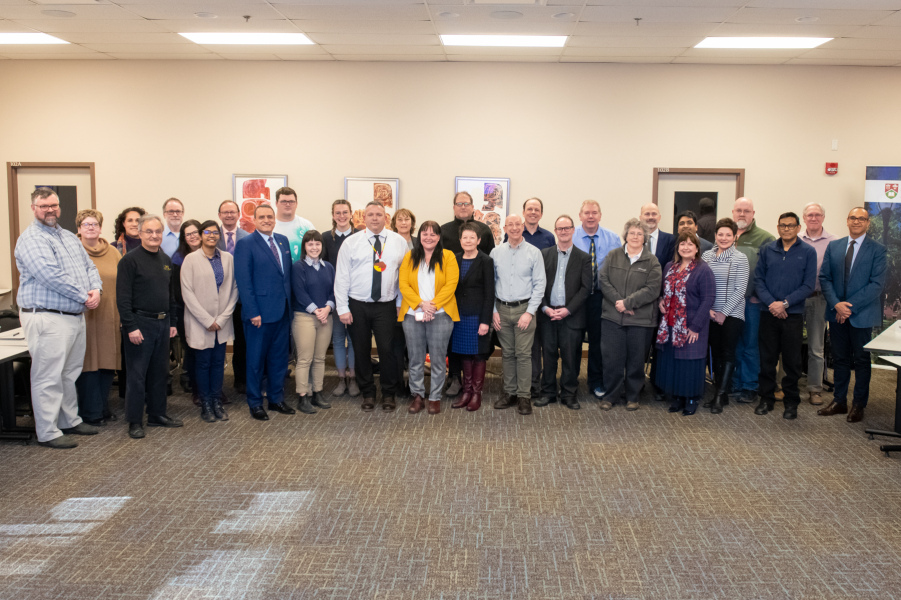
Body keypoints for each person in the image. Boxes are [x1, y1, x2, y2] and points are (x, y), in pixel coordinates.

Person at [15, 188, 102, 449]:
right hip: (47, 317)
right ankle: (48, 431)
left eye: (54, 205)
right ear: (33, 208)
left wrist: (96, 289)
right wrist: (83, 296)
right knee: (47, 376)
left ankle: (68, 420)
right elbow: (49, 275)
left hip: (74, 315)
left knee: (69, 373)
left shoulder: (67, 237)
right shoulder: (31, 239)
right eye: (44, 206)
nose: (50, 210)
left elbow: (90, 267)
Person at [334, 201, 408, 411]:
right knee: (361, 349)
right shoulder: (351, 243)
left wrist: (400, 303)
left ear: (385, 217)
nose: (375, 218)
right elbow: (341, 277)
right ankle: (368, 393)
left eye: (379, 214)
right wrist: (343, 308)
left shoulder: (398, 242)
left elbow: (403, 276)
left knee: (388, 351)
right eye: (370, 215)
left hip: (386, 305)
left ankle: (388, 393)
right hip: (357, 305)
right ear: (362, 218)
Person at [817, 207, 888, 423]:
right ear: (847, 221)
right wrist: (837, 305)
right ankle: (839, 401)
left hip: (862, 314)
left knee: (861, 361)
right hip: (836, 312)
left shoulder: (878, 249)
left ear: (868, 223)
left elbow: (877, 284)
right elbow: (825, 277)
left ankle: (858, 404)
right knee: (839, 359)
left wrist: (849, 307)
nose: (857, 221)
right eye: (853, 218)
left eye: (862, 219)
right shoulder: (835, 246)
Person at [116, 214, 182, 440]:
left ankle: (157, 414)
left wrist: (172, 322)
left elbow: (170, 295)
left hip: (163, 323)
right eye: (149, 232)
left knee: (159, 372)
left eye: (158, 232)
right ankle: (135, 420)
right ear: (140, 233)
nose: (154, 236)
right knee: (137, 375)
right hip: (139, 324)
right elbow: (122, 298)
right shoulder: (129, 261)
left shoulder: (165, 259)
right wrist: (130, 326)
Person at [234, 204, 295, 421]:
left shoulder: (282, 241)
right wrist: (252, 311)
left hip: (282, 312)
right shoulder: (245, 244)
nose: (267, 220)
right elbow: (244, 281)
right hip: (258, 315)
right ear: (254, 219)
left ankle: (276, 399)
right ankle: (255, 402)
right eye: (262, 217)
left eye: (270, 216)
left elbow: (285, 277)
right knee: (255, 361)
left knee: (279, 360)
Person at [753, 212, 818, 419]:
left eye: (791, 225)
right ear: (778, 227)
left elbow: (808, 285)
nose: (786, 229)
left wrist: (785, 304)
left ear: (799, 228)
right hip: (768, 312)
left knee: (792, 362)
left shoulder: (808, 251)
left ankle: (791, 403)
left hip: (793, 315)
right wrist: (772, 303)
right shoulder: (767, 250)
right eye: (783, 225)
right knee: (767, 359)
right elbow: (758, 281)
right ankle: (766, 399)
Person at [598, 218, 662, 411]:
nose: (635, 237)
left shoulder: (652, 261)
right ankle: (611, 396)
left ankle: (633, 396)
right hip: (612, 317)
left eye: (640, 234)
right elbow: (603, 280)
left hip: (640, 320)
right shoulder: (613, 255)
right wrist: (620, 303)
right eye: (632, 233)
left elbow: (653, 289)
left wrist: (628, 303)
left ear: (645, 238)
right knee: (612, 359)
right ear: (626, 235)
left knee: (636, 360)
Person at [398, 221, 460, 414]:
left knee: (438, 359)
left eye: (433, 234)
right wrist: (421, 304)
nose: (429, 237)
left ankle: (434, 397)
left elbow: (451, 284)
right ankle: (417, 395)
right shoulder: (410, 256)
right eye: (425, 233)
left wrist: (432, 306)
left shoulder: (448, 256)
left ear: (439, 237)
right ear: (420, 236)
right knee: (415, 358)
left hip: (440, 315)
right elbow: (403, 284)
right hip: (412, 314)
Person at [180, 221, 238, 422]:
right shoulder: (191, 259)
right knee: (203, 364)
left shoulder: (228, 258)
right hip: (200, 322)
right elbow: (187, 293)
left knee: (218, 363)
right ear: (201, 235)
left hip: (221, 322)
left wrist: (222, 318)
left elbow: (234, 289)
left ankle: (216, 400)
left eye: (215, 232)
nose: (212, 236)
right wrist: (206, 320)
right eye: (207, 232)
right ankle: (205, 403)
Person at [655, 232, 716, 416]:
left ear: (697, 248)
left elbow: (708, 299)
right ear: (678, 247)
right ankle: (676, 397)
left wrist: (695, 327)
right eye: (683, 244)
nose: (686, 247)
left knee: (690, 363)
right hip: (670, 323)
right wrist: (660, 300)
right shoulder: (669, 267)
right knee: (673, 361)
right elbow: (663, 291)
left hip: (692, 325)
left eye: (691, 244)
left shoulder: (703, 269)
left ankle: (690, 398)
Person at [441, 191, 496, 397]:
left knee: (477, 349)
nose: (463, 206)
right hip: (453, 305)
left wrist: (486, 317)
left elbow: (490, 268)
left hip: (476, 306)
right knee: (456, 345)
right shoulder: (444, 231)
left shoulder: (485, 231)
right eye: (459, 203)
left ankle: (474, 389)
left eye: (467, 203)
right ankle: (455, 378)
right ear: (454, 207)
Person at [491, 214, 546, 416]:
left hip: (525, 310)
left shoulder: (534, 253)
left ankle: (524, 396)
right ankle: (510, 393)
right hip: (501, 310)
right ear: (504, 228)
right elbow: (491, 284)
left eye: (517, 224)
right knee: (507, 354)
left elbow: (540, 284)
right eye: (510, 225)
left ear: (523, 226)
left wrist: (530, 312)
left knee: (523, 355)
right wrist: (493, 311)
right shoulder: (496, 253)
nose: (514, 228)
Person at [535, 215, 591, 410]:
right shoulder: (544, 254)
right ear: (556, 231)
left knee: (570, 357)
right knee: (548, 356)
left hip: (572, 316)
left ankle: (569, 394)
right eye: (560, 228)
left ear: (573, 230)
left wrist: (568, 310)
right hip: (547, 314)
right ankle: (548, 393)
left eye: (567, 228)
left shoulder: (584, 258)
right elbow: (537, 284)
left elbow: (586, 288)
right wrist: (544, 307)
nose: (564, 231)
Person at [504, 198, 556, 399]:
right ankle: (527, 385)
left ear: (541, 214)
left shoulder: (548, 237)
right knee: (528, 347)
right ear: (524, 212)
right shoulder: (513, 234)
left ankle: (539, 383)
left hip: (543, 299)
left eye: (537, 209)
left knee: (543, 345)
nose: (533, 212)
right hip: (523, 302)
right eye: (530, 209)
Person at [75, 209, 121, 426]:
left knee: (106, 363)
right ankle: (90, 412)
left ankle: (102, 407)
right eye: (86, 224)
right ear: (79, 229)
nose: (91, 228)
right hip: (84, 316)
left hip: (109, 316)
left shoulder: (113, 252)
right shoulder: (72, 251)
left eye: (95, 224)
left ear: (101, 228)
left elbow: (122, 283)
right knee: (87, 365)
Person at [573, 200, 622, 399]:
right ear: (580, 215)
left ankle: (596, 381)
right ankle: (570, 382)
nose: (590, 216)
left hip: (600, 298)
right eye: (587, 213)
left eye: (594, 213)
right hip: (576, 298)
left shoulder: (613, 239)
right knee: (573, 342)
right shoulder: (571, 236)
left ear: (600, 215)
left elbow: (618, 270)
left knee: (597, 342)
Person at [702, 218, 749, 414]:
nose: (724, 238)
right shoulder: (706, 256)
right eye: (720, 234)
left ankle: (721, 394)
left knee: (728, 353)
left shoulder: (740, 258)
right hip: (709, 312)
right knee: (715, 354)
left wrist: (723, 313)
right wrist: (710, 311)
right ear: (715, 235)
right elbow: (700, 284)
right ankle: (718, 392)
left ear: (734, 236)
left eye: (728, 234)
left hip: (732, 313)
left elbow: (740, 290)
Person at [730, 197, 775, 403]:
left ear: (753, 214)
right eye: (738, 210)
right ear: (733, 212)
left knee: (750, 344)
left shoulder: (765, 238)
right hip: (728, 302)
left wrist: (759, 295)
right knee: (733, 343)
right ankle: (734, 383)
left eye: (746, 211)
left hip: (752, 302)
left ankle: (749, 385)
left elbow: (770, 271)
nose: (742, 214)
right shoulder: (725, 235)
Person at [449, 222, 495, 412]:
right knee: (464, 354)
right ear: (460, 241)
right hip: (458, 315)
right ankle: (466, 392)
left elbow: (489, 292)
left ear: (478, 240)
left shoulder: (486, 261)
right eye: (464, 238)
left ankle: (476, 394)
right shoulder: (455, 259)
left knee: (478, 355)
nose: (468, 241)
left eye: (472, 238)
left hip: (477, 316)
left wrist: (485, 321)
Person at [291, 230, 335, 414]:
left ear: (321, 246)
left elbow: (334, 290)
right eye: (310, 244)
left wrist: (327, 308)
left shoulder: (329, 267)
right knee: (304, 359)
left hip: (326, 317)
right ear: (304, 247)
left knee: (319, 358)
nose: (314, 247)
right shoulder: (298, 267)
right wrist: (316, 310)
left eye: (317, 244)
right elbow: (299, 292)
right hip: (305, 318)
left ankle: (317, 392)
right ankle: (303, 395)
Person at [321, 199, 361, 398]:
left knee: (353, 339)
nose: (342, 216)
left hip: (355, 297)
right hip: (334, 297)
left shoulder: (361, 236)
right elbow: (324, 270)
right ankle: (340, 379)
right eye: (338, 213)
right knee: (337, 338)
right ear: (333, 215)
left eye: (345, 212)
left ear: (351, 214)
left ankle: (353, 378)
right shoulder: (325, 238)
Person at [800, 202, 837, 405]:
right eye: (810, 215)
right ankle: (787, 386)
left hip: (818, 298)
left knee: (816, 347)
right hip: (795, 299)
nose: (813, 218)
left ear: (823, 217)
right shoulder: (794, 239)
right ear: (803, 218)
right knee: (788, 345)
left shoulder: (834, 242)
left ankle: (815, 389)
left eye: (817, 214)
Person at [217, 200, 249, 394]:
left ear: (239, 214)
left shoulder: (248, 237)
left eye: (232, 212)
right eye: (225, 212)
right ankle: (215, 383)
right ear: (219, 215)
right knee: (216, 341)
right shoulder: (211, 236)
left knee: (241, 341)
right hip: (217, 298)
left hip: (240, 298)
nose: (229, 215)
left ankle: (240, 379)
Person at [171, 220, 202, 401]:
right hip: (185, 311)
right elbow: (176, 291)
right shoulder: (178, 259)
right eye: (188, 234)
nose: (192, 236)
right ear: (184, 238)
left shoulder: (210, 254)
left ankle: (194, 377)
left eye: (195, 232)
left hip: (208, 311)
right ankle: (189, 377)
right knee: (191, 346)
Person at [390, 208, 417, 396]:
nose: (403, 222)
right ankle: (398, 383)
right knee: (397, 344)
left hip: (416, 302)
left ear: (412, 223)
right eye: (400, 219)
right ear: (394, 223)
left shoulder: (419, 243)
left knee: (414, 345)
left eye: (407, 219)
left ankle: (414, 384)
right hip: (394, 300)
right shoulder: (388, 242)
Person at [272, 186, 314, 263]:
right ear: (276, 203)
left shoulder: (307, 226)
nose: (288, 204)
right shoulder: (269, 226)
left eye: (291, 201)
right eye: (283, 201)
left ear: (296, 204)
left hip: (302, 273)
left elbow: (315, 251)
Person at [639, 203, 677, 270]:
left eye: (654, 214)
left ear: (659, 218)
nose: (651, 217)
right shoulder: (634, 240)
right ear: (640, 218)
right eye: (647, 214)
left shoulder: (671, 240)